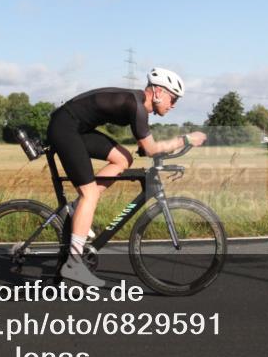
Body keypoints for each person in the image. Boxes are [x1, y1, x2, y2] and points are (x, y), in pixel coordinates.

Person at [48, 67, 207, 287]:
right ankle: (74, 264)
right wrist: (186, 139)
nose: (174, 105)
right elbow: (151, 149)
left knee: (123, 159)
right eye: (173, 98)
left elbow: (145, 149)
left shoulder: (138, 105)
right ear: (158, 92)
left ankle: (77, 209)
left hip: (76, 127)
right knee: (90, 194)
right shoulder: (136, 106)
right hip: (65, 128)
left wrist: (165, 151)